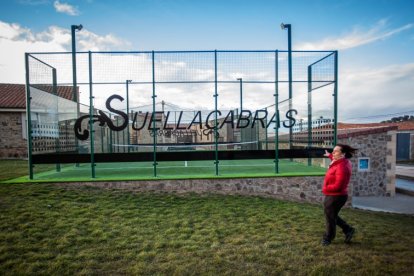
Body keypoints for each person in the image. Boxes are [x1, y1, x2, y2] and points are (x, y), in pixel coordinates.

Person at [321, 143, 357, 246]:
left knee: (329, 217)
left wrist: (325, 188)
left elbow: (338, 186)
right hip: (335, 195)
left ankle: (328, 238)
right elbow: (334, 157)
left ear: (343, 154)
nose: (333, 152)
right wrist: (329, 155)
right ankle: (348, 229)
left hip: (336, 196)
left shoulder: (342, 167)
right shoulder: (340, 161)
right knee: (332, 215)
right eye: (333, 150)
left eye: (336, 151)